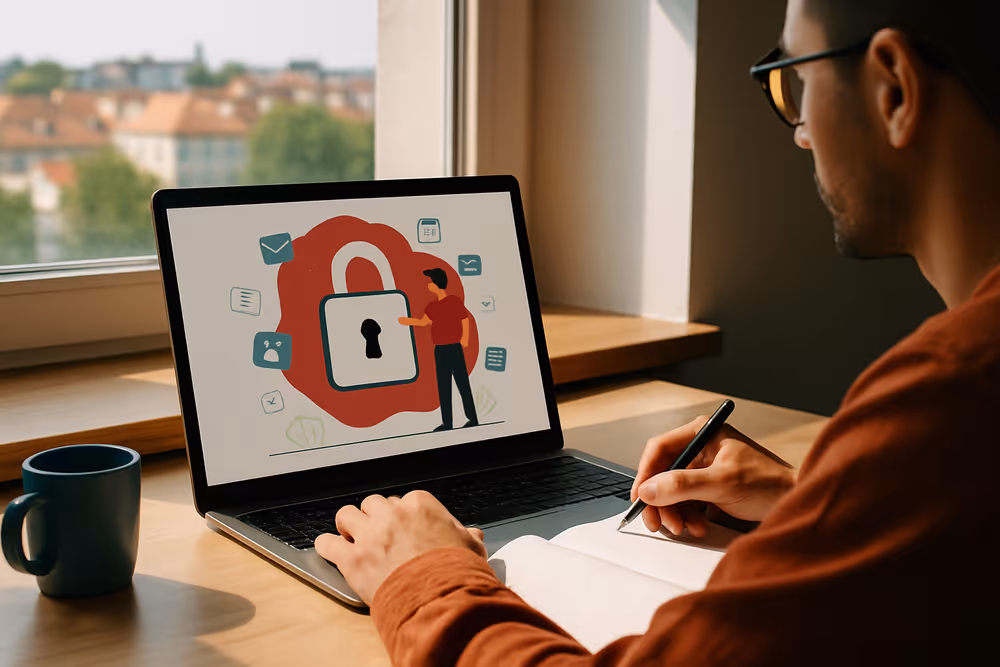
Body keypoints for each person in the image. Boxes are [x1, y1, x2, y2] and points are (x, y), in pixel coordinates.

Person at [316, 0, 1000, 663]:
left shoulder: (949, 395)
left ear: (894, 89)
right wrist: (820, 507)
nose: (800, 131)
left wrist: (423, 577)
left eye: (795, 79)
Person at [399, 268, 478, 432]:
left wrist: (465, 340)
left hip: (454, 348)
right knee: (444, 386)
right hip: (440, 350)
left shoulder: (454, 301)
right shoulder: (432, 306)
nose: (428, 284)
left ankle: (472, 418)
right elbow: (423, 323)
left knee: (462, 383)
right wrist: (405, 321)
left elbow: (464, 320)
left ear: (436, 283)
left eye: (430, 280)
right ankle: (447, 423)